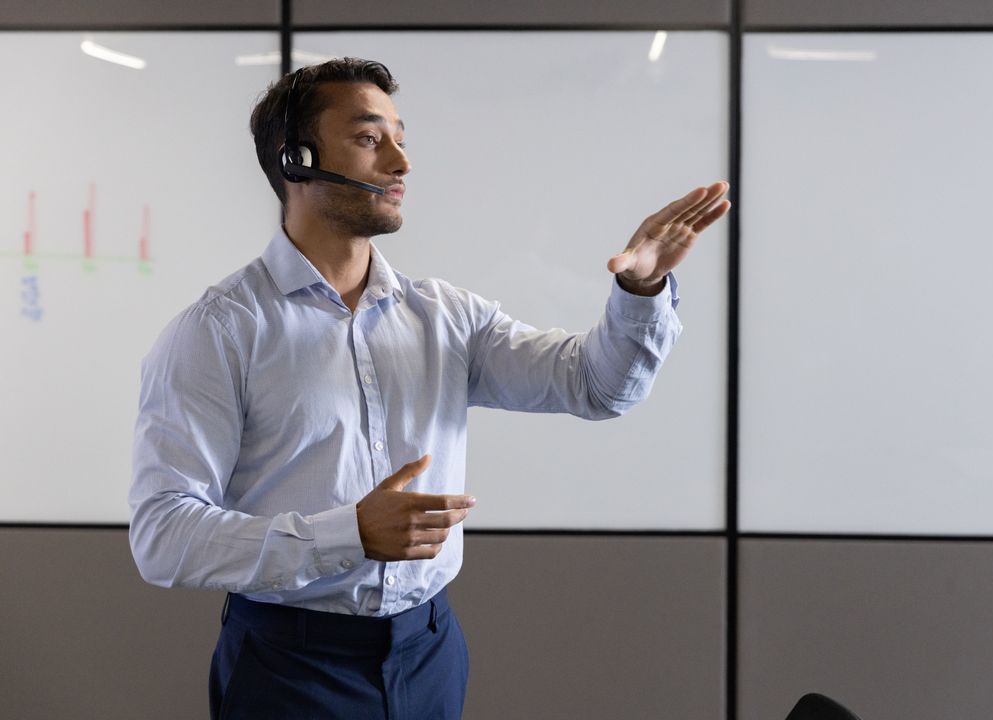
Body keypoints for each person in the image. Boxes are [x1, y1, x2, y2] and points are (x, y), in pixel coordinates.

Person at [128, 57, 731, 720]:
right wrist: (347, 534)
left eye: (400, 139)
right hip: (291, 666)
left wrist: (640, 289)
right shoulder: (217, 333)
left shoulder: (444, 317)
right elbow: (163, 536)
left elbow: (595, 385)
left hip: (429, 649)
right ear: (295, 159)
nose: (401, 163)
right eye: (368, 139)